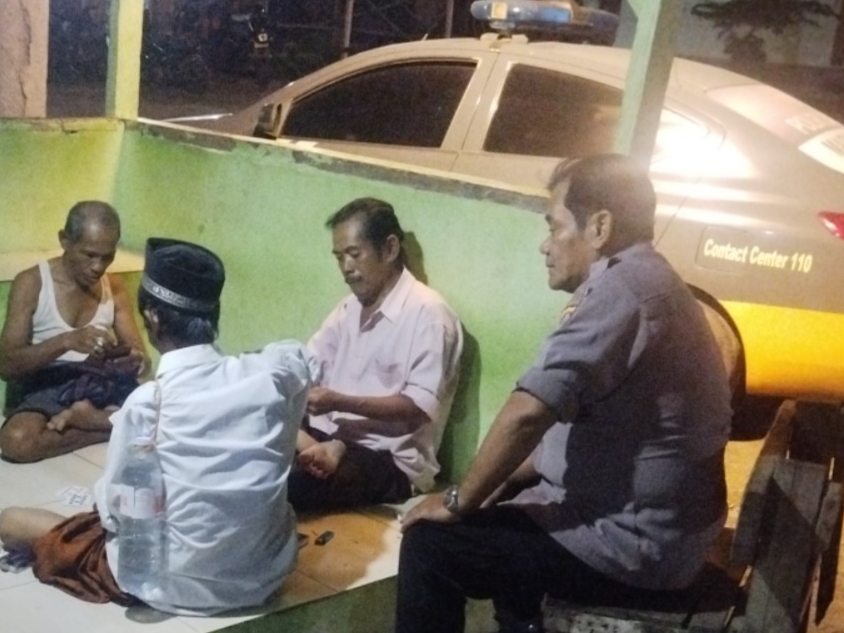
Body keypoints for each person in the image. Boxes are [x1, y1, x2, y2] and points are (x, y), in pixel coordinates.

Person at [396, 154, 732, 633]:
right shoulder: (648, 279)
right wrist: (495, 484)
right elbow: (561, 435)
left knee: (432, 545)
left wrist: (457, 500)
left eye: (554, 227)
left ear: (599, 227)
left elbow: (527, 414)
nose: (545, 245)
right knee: (505, 510)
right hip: (665, 534)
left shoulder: (622, 292)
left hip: (632, 548)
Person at [0, 237, 317, 615]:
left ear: (152, 318)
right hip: (264, 576)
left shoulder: (148, 405)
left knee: (12, 523)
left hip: (170, 584)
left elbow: (120, 516)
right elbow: (301, 358)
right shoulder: (273, 373)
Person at [289, 197, 463, 512]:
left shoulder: (429, 315)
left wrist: (339, 401)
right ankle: (316, 445)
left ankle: (321, 448)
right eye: (339, 257)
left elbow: (416, 408)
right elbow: (307, 362)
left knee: (289, 484)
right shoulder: (349, 309)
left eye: (354, 254)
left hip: (386, 459)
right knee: (249, 440)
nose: (346, 268)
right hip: (328, 432)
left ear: (390, 249)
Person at [0, 201, 148, 463]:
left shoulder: (113, 287)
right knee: (16, 441)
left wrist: (132, 360)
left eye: (107, 257)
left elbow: (141, 359)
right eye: (89, 255)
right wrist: (67, 341)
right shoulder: (32, 283)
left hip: (96, 381)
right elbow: (7, 366)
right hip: (47, 385)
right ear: (65, 241)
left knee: (167, 412)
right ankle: (103, 426)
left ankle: (91, 419)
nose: (98, 267)